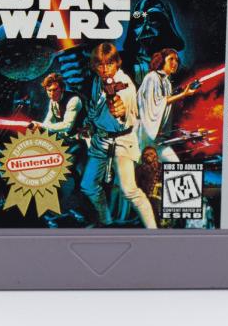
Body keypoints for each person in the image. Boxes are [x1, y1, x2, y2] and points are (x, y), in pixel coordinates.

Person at [80, 42, 157, 228]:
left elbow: (122, 109)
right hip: (100, 140)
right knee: (88, 185)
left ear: (117, 63)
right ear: (94, 66)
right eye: (100, 64)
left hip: (122, 140)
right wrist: (88, 124)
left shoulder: (125, 86)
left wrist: (119, 110)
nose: (105, 69)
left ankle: (153, 230)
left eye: (109, 64)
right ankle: (106, 222)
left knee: (129, 190)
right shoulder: (97, 81)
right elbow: (94, 108)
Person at [30, 73, 87, 227]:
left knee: (70, 175)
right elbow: (48, 121)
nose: (52, 94)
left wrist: (42, 126)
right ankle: (57, 210)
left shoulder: (73, 100)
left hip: (82, 142)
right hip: (67, 143)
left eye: (55, 90)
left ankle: (76, 209)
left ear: (61, 88)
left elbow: (67, 126)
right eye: (49, 91)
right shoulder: (53, 102)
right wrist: (39, 127)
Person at [137, 48, 198, 163]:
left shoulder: (167, 82)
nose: (175, 63)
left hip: (159, 137)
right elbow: (157, 103)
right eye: (171, 59)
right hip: (147, 135)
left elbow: (166, 105)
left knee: (173, 165)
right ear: (161, 61)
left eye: (176, 60)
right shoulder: (152, 77)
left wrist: (181, 95)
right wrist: (182, 94)